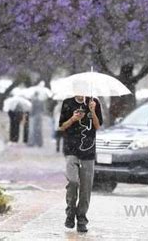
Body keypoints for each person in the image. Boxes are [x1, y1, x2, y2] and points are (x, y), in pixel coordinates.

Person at [59, 95, 103, 233]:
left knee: (86, 188)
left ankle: (82, 219)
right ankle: (70, 212)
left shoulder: (94, 102)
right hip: (71, 150)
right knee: (72, 182)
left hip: (88, 152)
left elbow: (97, 126)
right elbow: (61, 127)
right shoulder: (67, 103)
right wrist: (73, 119)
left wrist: (93, 111)